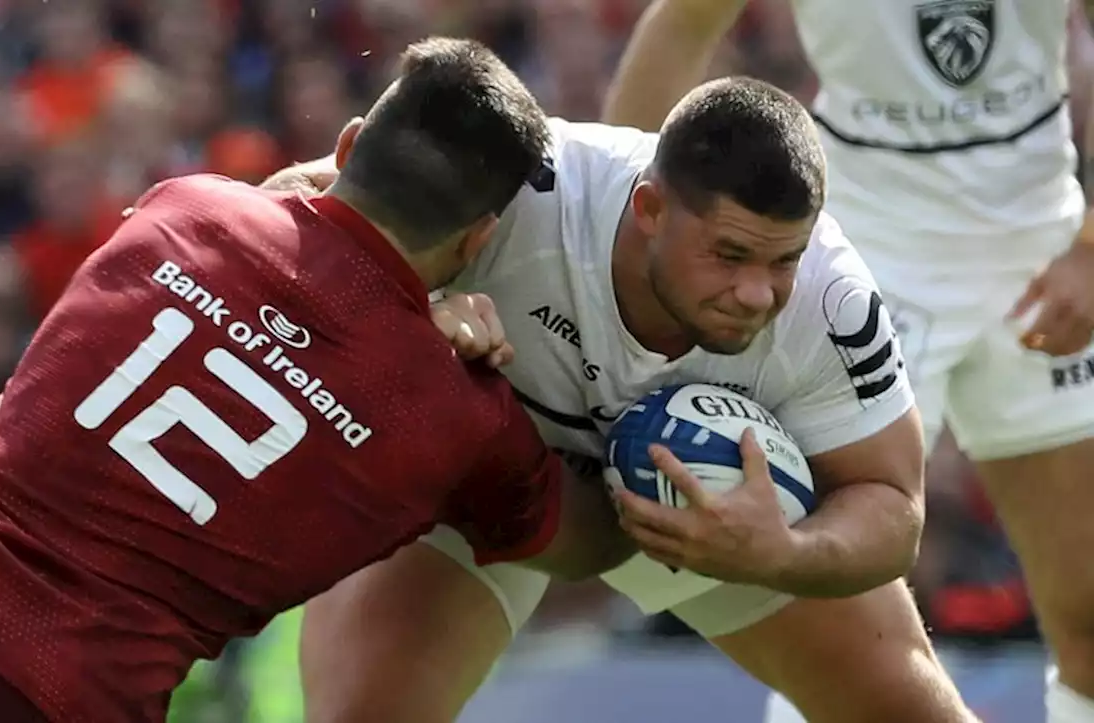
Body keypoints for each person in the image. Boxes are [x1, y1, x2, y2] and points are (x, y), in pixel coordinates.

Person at [0, 38, 634, 723]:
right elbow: (588, 542)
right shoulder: (453, 410)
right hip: (51, 691)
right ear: (479, 237)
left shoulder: (187, 207)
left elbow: (271, 242)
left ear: (347, 146)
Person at [273, 77, 978, 722]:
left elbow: (893, 503)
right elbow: (279, 220)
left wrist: (782, 552)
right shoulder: (524, 184)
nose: (759, 293)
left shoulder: (834, 303)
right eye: (730, 255)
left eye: (783, 260)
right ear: (649, 207)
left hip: (715, 513)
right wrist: (406, 318)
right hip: (486, 466)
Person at [604, 1, 1094, 722]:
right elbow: (682, 24)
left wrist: (1090, 250)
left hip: (1041, 254)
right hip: (867, 264)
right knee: (843, 630)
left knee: (1090, 613)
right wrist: (626, 244)